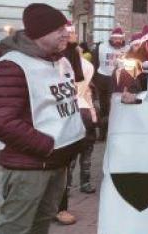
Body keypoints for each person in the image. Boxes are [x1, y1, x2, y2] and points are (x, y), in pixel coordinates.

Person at [0, 3, 85, 234]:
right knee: (15, 229)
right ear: (40, 33)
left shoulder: (62, 61)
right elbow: (0, 121)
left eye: (66, 26)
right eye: (58, 29)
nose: (67, 32)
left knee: (40, 226)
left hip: (57, 162)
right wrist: (47, 146)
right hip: (30, 166)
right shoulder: (11, 66)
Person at [55, 25, 98, 225]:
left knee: (74, 154)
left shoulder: (80, 65)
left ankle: (65, 199)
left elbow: (84, 89)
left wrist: (91, 110)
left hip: (76, 111)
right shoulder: (51, 62)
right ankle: (63, 196)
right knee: (67, 159)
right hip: (61, 116)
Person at [92, 27, 127, 140]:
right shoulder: (101, 47)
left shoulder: (128, 48)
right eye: (115, 38)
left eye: (120, 39)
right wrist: (95, 80)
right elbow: (94, 63)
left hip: (120, 81)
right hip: (104, 79)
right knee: (104, 108)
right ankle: (103, 134)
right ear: (111, 38)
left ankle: (116, 132)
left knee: (117, 107)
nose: (117, 41)